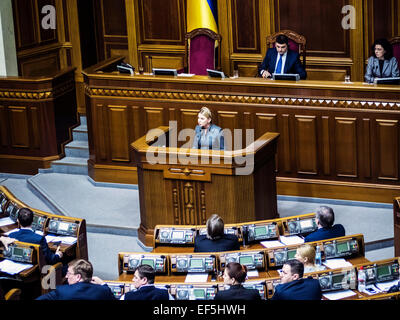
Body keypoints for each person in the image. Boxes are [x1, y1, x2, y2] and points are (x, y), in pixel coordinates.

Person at [36, 259, 116, 300]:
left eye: (68, 273)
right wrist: (103, 284)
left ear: (78, 277)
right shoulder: (103, 291)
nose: (66, 276)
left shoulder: (62, 291)